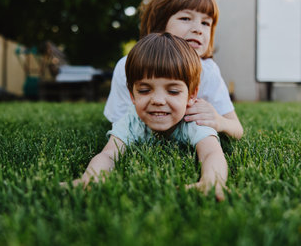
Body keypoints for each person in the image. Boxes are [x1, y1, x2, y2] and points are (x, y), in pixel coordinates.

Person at [68, 33, 228, 200]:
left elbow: (212, 153)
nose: (158, 101)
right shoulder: (132, 119)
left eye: (173, 91)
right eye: (144, 90)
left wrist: (212, 181)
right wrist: (91, 178)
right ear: (132, 95)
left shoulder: (194, 118)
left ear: (191, 95)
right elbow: (109, 154)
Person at [104, 0, 243, 139]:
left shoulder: (208, 71)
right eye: (185, 18)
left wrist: (219, 122)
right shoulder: (127, 66)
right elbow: (119, 125)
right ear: (160, 24)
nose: (198, 29)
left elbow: (236, 129)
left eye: (205, 23)